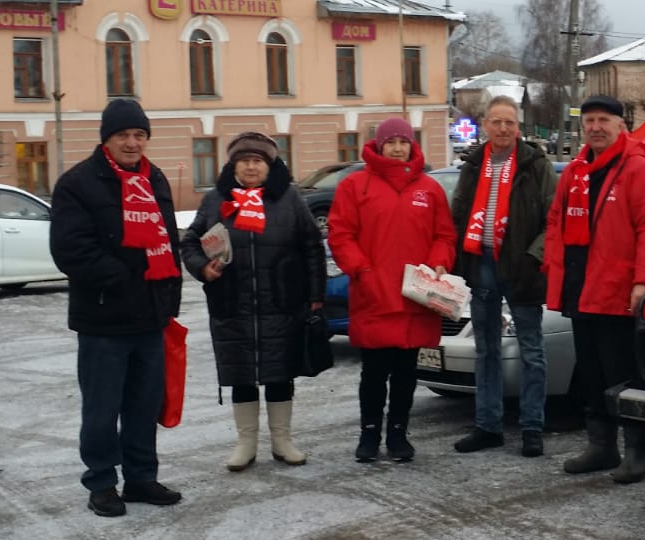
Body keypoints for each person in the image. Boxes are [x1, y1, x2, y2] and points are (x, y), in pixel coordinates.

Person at [49, 98, 184, 518]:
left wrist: (169, 297)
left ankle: (141, 477)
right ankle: (103, 482)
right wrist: (124, 276)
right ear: (107, 139)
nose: (132, 143)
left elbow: (169, 243)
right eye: (123, 135)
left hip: (150, 317)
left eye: (139, 135)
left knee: (144, 404)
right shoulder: (78, 183)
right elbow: (70, 250)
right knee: (102, 409)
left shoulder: (155, 179)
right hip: (104, 319)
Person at [179, 132, 326, 473]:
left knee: (279, 373)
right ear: (233, 165)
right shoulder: (216, 199)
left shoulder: (289, 198)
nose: (250, 166)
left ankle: (282, 440)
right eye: (243, 160)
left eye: (257, 160)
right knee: (241, 374)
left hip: (282, 302)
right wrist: (203, 267)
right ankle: (245, 443)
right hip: (233, 303)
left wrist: (316, 296)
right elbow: (190, 243)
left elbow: (312, 249)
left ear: (269, 165)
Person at [544, 94, 645, 484]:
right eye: (590, 121)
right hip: (581, 290)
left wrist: (642, 281)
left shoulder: (637, 169)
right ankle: (601, 446)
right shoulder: (576, 171)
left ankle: (636, 451)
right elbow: (555, 224)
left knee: (622, 374)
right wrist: (553, 272)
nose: (596, 127)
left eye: (604, 120)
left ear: (620, 125)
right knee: (592, 374)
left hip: (616, 292)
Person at [327, 118, 456, 462]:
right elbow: (340, 234)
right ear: (378, 146)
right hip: (374, 294)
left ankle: (399, 434)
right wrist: (361, 269)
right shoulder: (356, 186)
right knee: (373, 372)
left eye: (404, 142)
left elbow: (444, 235)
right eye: (391, 142)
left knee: (406, 373)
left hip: (415, 296)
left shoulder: (429, 188)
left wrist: (438, 263)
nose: (398, 148)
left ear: (412, 146)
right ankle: (369, 435)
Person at [448, 96, 559, 457]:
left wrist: (534, 256)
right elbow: (459, 212)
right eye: (496, 121)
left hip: (522, 267)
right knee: (487, 352)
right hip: (481, 264)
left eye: (509, 122)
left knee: (531, 352)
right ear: (485, 126)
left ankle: (532, 427)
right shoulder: (473, 164)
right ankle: (488, 425)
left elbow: (552, 217)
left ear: (518, 127)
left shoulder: (535, 164)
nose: (503, 128)